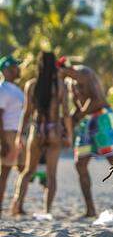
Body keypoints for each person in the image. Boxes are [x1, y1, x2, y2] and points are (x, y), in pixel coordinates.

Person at [58, 59, 113, 217]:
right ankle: (90, 209)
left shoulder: (84, 73)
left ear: (66, 69)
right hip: (87, 124)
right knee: (80, 163)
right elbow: (79, 108)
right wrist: (68, 122)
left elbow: (98, 100)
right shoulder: (70, 82)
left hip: (102, 120)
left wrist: (78, 115)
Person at [9, 51, 68, 216]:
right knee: (51, 175)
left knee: (28, 171)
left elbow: (26, 113)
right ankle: (46, 211)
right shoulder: (60, 86)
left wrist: (20, 135)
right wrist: (69, 134)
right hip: (54, 130)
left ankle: (17, 204)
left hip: (36, 130)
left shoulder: (31, 85)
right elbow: (66, 114)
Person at [0, 55, 25, 214]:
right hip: (8, 133)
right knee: (5, 171)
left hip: (18, 133)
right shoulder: (2, 89)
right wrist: (3, 141)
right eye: (16, 67)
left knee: (24, 169)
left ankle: (18, 205)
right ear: (7, 70)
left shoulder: (16, 89)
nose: (19, 69)